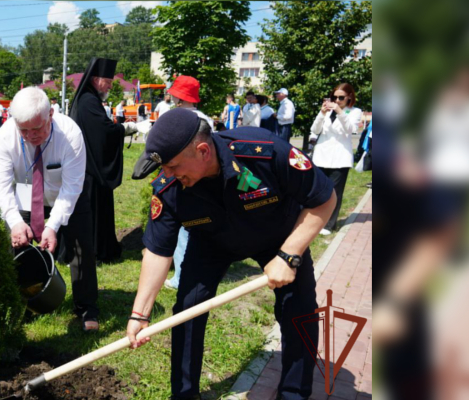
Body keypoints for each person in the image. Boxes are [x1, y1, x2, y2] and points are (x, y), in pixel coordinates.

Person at [125, 108, 337, 400]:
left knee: (299, 310)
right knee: (188, 309)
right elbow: (158, 251)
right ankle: (184, 395)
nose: (167, 175)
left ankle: (293, 395)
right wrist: (140, 314)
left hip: (279, 238)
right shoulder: (169, 188)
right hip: (210, 242)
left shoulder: (264, 153)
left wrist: (289, 255)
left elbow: (325, 198)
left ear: (202, 151)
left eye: (173, 166)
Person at [0, 86, 91, 328]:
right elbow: (1, 187)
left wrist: (53, 225)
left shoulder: (71, 134)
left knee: (81, 249)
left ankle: (87, 308)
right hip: (24, 196)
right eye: (23, 130)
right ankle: (22, 303)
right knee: (18, 248)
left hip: (66, 196)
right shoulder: (4, 138)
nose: (31, 136)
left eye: (38, 129)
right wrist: (15, 222)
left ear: (51, 116)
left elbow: (71, 188)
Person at [131, 74, 211, 289]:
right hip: (203, 180)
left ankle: (180, 276)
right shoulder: (207, 119)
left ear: (180, 98)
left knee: (181, 228)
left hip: (178, 180)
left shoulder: (175, 118)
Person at [67, 57, 138, 272]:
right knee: (93, 212)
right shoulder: (88, 101)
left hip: (89, 166)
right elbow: (104, 131)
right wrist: (127, 128)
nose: (109, 85)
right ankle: (97, 250)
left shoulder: (89, 98)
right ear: (96, 79)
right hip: (91, 171)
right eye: (107, 80)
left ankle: (102, 247)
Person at [309, 83, 363, 235]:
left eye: (341, 97)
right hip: (321, 155)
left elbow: (351, 129)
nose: (337, 100)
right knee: (319, 190)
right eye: (334, 97)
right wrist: (321, 113)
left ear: (349, 97)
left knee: (334, 192)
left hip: (340, 157)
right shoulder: (327, 112)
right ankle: (317, 220)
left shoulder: (354, 112)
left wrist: (340, 111)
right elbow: (315, 130)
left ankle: (329, 224)